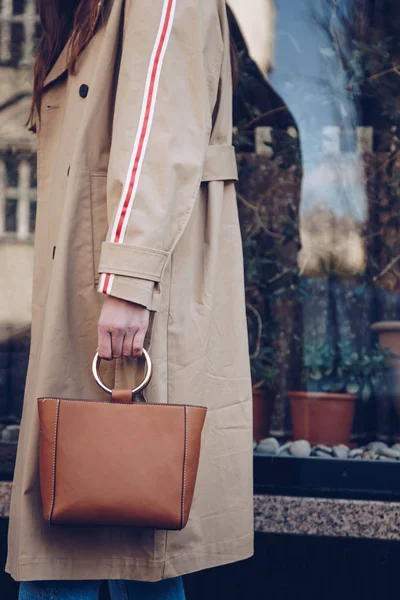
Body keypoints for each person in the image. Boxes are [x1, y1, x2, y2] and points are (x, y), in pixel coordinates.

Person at [6, 0, 254, 598]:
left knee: (105, 528)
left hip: (124, 288)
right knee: (117, 534)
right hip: (100, 273)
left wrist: (129, 281)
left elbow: (158, 130)